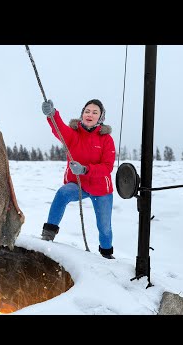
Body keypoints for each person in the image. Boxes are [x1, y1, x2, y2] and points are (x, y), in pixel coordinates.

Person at [40, 99, 116, 259]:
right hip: (78, 185)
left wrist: (85, 169)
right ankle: (48, 235)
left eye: (95, 112)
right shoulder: (73, 135)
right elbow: (58, 128)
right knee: (62, 193)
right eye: (87, 111)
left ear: (100, 118)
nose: (90, 114)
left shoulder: (106, 139)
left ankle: (107, 255)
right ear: (82, 114)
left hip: (101, 188)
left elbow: (107, 167)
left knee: (104, 227)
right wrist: (52, 114)